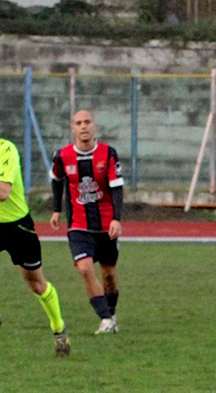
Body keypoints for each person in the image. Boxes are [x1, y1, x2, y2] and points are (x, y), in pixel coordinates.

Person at [0, 105, 70, 356]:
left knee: (37, 284)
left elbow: (2, 193)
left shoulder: (6, 149)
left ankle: (59, 329)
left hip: (19, 227)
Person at [49, 109, 124, 334]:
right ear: (73, 128)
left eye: (87, 122)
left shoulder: (108, 154)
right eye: (79, 123)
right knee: (84, 268)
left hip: (106, 225)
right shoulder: (62, 156)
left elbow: (117, 188)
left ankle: (111, 315)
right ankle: (105, 318)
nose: (83, 126)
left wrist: (116, 219)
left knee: (109, 274)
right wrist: (56, 210)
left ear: (94, 126)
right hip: (78, 225)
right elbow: (57, 180)